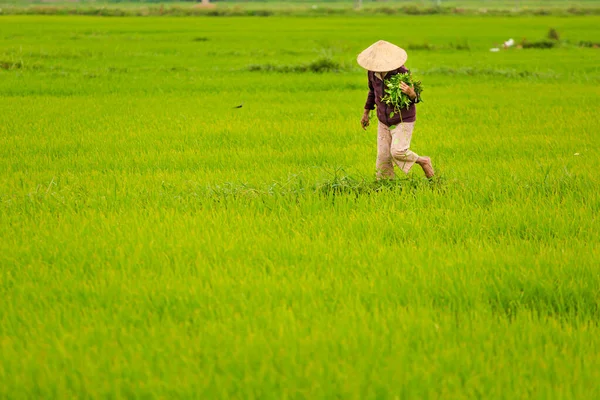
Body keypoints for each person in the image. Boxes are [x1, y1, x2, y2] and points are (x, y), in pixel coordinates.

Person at [357, 40, 435, 179]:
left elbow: (415, 98)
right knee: (383, 157)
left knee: (398, 151)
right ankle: (387, 187)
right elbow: (372, 92)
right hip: (383, 120)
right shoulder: (371, 73)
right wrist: (366, 113)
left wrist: (411, 93)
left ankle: (424, 161)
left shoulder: (401, 73)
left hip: (402, 119)